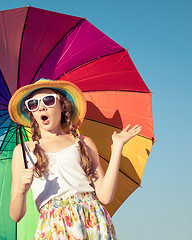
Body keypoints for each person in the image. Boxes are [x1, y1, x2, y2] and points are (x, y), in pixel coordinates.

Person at [8, 79, 142, 239]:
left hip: (92, 219)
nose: (41, 106)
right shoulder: (23, 151)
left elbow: (105, 196)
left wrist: (118, 146)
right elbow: (16, 215)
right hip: (54, 226)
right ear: (32, 113)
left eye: (48, 100)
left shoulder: (83, 142)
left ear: (62, 106)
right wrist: (22, 191)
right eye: (33, 104)